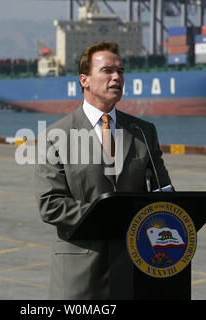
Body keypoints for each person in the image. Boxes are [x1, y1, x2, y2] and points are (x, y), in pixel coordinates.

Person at [35, 41, 173, 299]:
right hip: (79, 274)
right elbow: (50, 204)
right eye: (107, 71)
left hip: (135, 267)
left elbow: (162, 192)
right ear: (84, 80)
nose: (117, 77)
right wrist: (109, 214)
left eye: (120, 71)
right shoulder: (55, 135)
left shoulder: (144, 132)